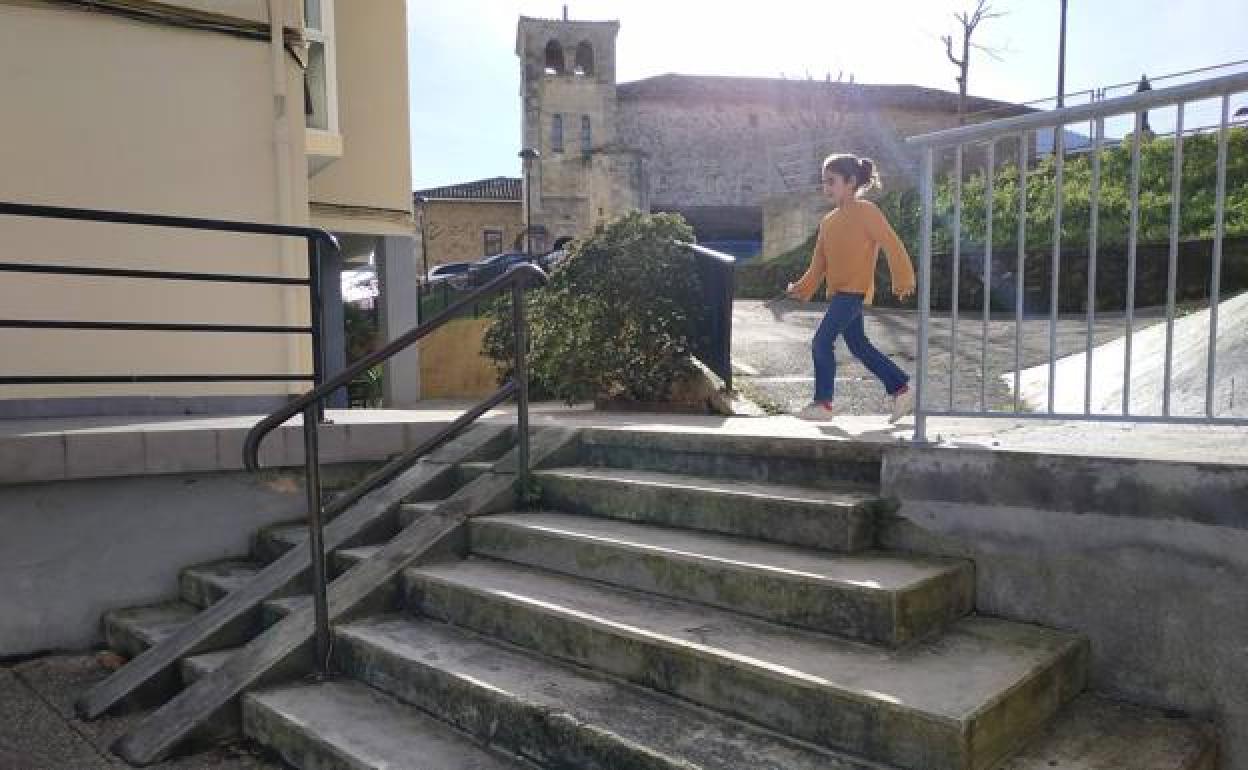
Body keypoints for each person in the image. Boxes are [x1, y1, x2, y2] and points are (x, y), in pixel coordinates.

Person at [786, 153, 917, 423]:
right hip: (839, 293)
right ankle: (901, 390)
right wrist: (802, 287)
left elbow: (892, 243)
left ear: (851, 181)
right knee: (858, 346)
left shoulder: (867, 212)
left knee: (821, 342)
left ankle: (823, 403)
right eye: (824, 182)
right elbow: (818, 264)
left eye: (831, 181)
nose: (826, 187)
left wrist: (903, 280)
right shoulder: (828, 222)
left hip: (854, 292)